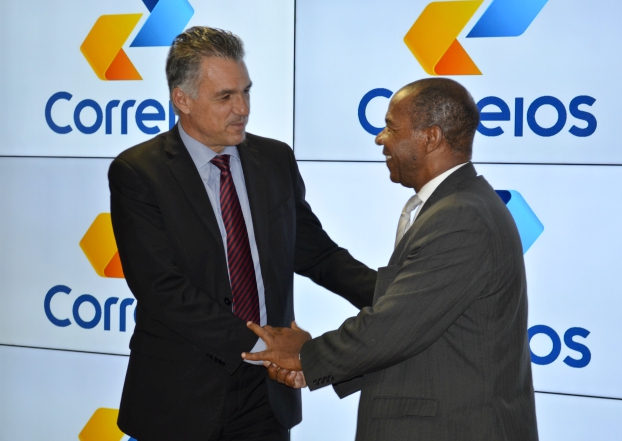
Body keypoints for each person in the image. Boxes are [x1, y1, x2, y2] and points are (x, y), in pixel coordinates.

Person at [108, 26, 376, 441]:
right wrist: (269, 347)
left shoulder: (275, 159)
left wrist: (395, 299)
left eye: (246, 92)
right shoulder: (139, 172)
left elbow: (317, 253)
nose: (243, 109)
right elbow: (161, 288)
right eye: (225, 97)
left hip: (267, 395)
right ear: (182, 100)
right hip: (181, 395)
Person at [243, 78, 539, 440]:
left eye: (391, 128)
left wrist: (307, 356)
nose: (380, 139)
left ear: (430, 138)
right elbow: (414, 320)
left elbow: (394, 327)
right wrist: (315, 362)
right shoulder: (461, 204)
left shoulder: (461, 215)